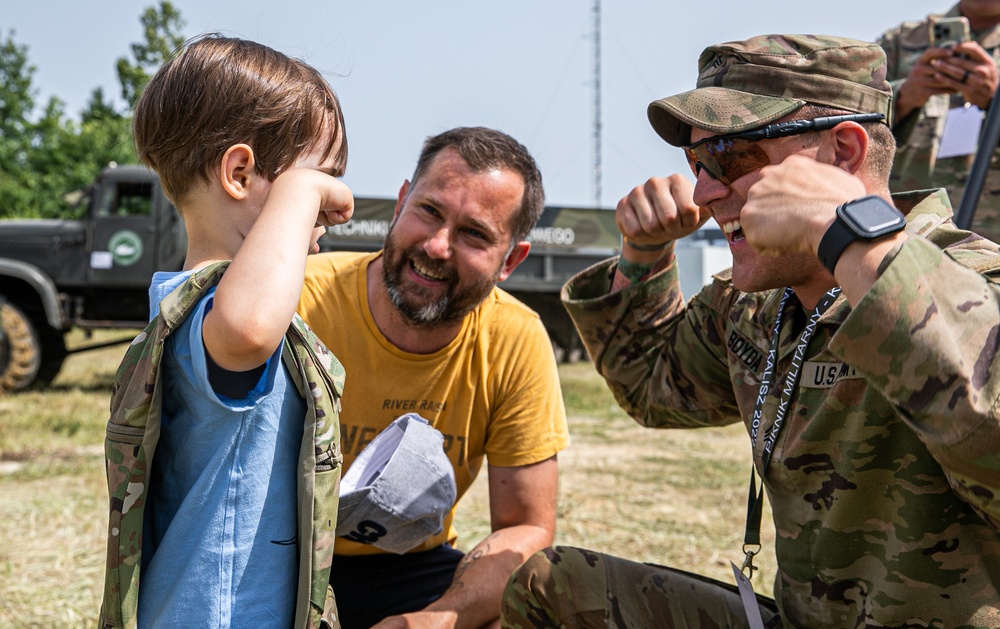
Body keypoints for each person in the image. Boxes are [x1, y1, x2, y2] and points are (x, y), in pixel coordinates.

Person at [500, 34, 1000, 628]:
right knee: (554, 587)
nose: (705, 192)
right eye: (696, 163)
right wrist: (642, 255)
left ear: (843, 152)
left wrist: (857, 239)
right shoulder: (757, 304)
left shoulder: (975, 281)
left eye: (732, 159)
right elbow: (654, 388)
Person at [119, 34, 354, 626]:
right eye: (319, 181)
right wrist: (300, 191)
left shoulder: (196, 311)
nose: (325, 209)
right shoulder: (213, 313)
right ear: (240, 172)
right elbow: (250, 330)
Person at [297, 126, 570, 629]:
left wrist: (436, 621)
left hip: (413, 569)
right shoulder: (297, 299)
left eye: (474, 234)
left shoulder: (515, 338)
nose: (438, 246)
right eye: (429, 211)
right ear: (401, 202)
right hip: (277, 559)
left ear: (511, 260)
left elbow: (526, 527)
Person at [878, 0, 1000, 242]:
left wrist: (994, 100)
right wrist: (904, 97)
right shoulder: (899, 42)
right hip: (907, 238)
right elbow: (847, 124)